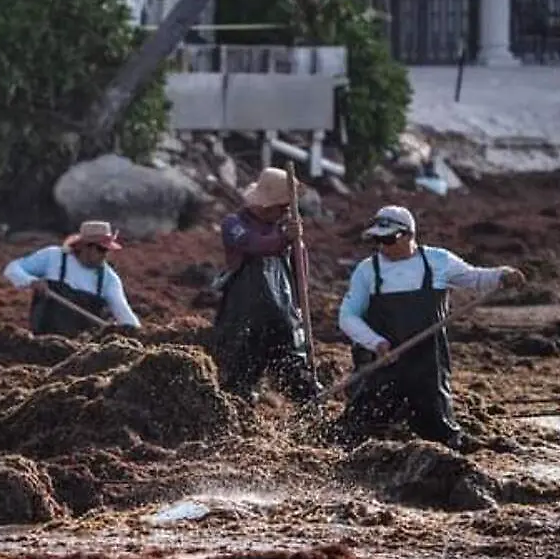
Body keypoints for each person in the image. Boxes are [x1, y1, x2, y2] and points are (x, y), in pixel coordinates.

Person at [336, 205, 526, 450]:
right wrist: (377, 343)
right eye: (378, 240)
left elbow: (476, 278)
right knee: (358, 429)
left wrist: (502, 275)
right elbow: (348, 317)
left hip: (427, 363)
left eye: (389, 239)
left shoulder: (438, 261)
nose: (383, 246)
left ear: (408, 236)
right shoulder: (367, 271)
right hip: (382, 362)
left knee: (438, 430)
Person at [211, 167, 321, 404]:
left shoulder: (283, 229)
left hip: (281, 318)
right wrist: (284, 239)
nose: (284, 212)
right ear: (265, 205)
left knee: (297, 373)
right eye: (282, 207)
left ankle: (313, 419)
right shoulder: (233, 224)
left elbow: (299, 272)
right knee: (239, 378)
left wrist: (297, 244)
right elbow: (254, 245)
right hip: (244, 319)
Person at [3, 220, 141, 337]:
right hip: (43, 342)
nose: (105, 255)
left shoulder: (108, 279)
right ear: (85, 247)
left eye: (107, 251)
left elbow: (123, 311)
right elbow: (12, 268)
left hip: (80, 350)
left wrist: (136, 333)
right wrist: (31, 281)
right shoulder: (53, 257)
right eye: (101, 250)